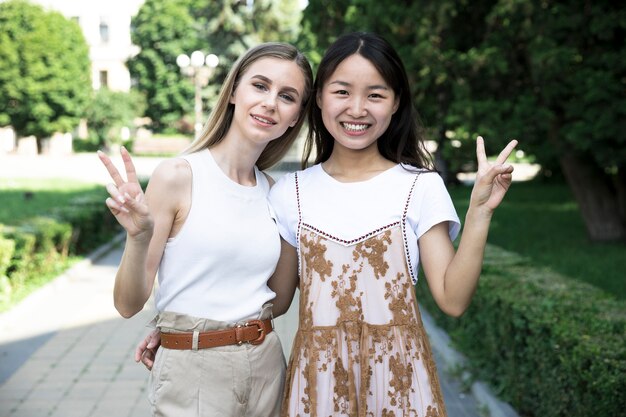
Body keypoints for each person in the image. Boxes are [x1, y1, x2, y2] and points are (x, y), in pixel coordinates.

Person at [265, 32, 518, 416]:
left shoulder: (419, 186)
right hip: (317, 387)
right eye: (342, 92)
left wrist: (480, 213)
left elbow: (452, 299)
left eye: (375, 95)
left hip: (401, 386)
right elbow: (275, 301)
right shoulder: (290, 192)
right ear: (319, 98)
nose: (357, 109)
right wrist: (185, 322)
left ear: (396, 103)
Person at [97, 42, 313, 417]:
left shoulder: (277, 195)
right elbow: (127, 304)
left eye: (287, 96)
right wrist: (138, 237)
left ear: (295, 116)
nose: (270, 103)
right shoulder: (179, 176)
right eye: (259, 86)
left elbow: (277, 302)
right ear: (233, 91)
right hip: (192, 372)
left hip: (265, 367)